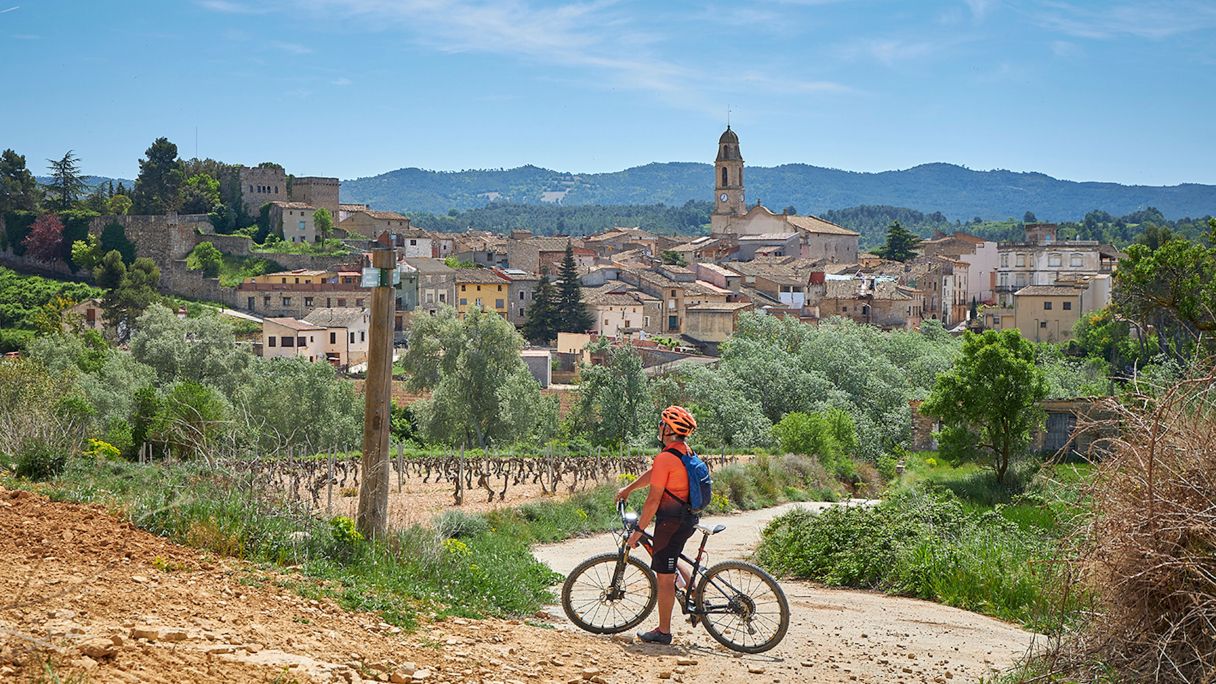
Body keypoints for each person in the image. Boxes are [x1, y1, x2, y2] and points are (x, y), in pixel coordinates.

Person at [615, 405, 700, 645]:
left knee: (664, 577)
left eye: (662, 424)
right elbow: (655, 473)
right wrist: (629, 489)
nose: (659, 427)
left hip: (671, 523)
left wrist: (638, 531)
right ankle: (695, 592)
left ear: (669, 429)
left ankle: (663, 632)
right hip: (687, 518)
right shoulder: (684, 452)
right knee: (671, 557)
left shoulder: (666, 457)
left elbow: (653, 500)